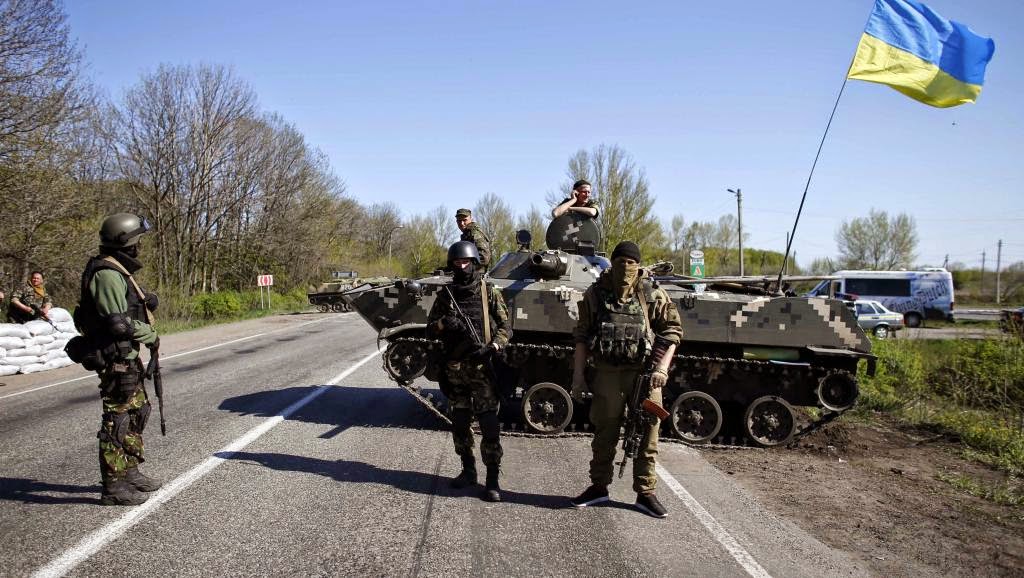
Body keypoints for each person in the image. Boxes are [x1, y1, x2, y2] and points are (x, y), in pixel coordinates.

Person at [569, 241, 683, 518]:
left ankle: (646, 492)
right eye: (621, 262)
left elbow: (672, 333)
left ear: (638, 265)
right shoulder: (597, 293)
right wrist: (578, 377)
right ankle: (598, 486)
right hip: (607, 373)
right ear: (612, 262)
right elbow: (582, 337)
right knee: (604, 432)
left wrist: (662, 369)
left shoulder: (651, 292)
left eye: (631, 263)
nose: (626, 267)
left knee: (648, 432)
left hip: (645, 374)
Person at [76, 213, 161, 506]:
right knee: (117, 420)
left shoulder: (118, 270)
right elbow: (117, 323)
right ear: (125, 242)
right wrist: (148, 333)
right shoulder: (107, 274)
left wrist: (145, 302)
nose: (139, 246)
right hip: (116, 358)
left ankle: (129, 470)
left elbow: (126, 308)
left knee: (138, 412)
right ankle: (113, 485)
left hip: (127, 356)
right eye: (137, 241)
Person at [426, 240, 511, 502]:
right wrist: (444, 323)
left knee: (489, 425)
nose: (461, 266)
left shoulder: (489, 292)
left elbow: (506, 327)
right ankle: (468, 470)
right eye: (457, 262)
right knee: (460, 422)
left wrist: (493, 347)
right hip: (455, 368)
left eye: (465, 262)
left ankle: (492, 478)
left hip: (482, 368)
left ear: (474, 263)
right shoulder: (446, 295)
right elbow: (430, 329)